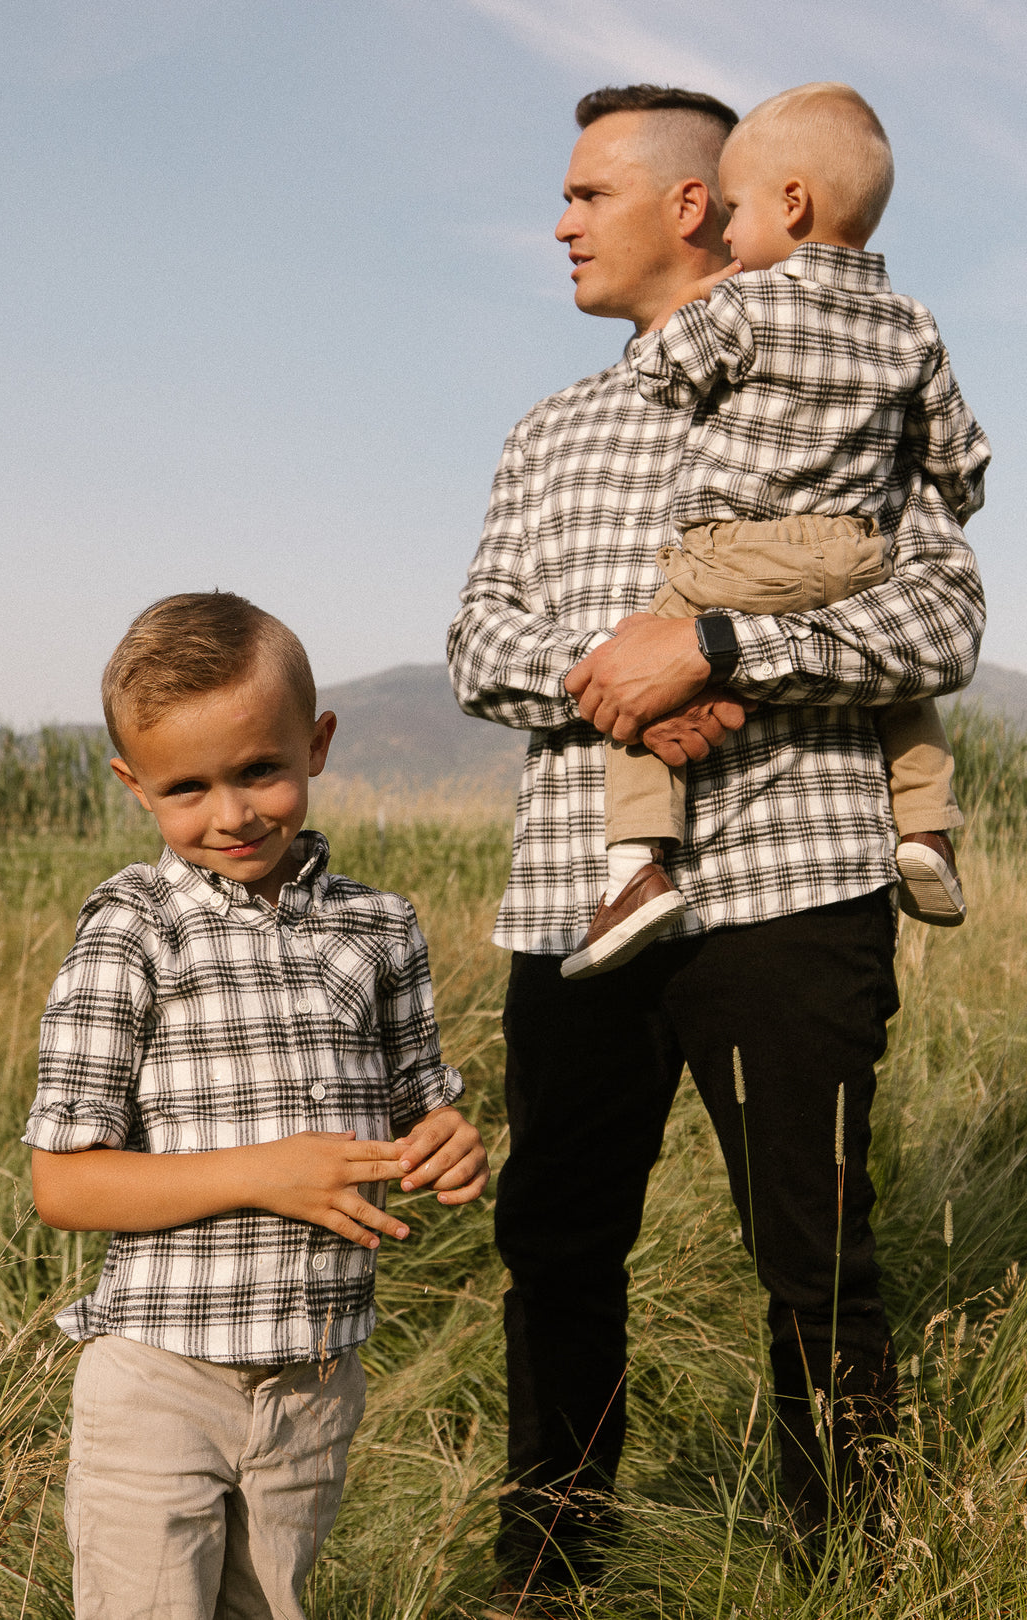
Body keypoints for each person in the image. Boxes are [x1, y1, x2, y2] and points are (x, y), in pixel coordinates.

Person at [447, 83, 984, 1603]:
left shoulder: (859, 392)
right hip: (580, 894)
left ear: (697, 206)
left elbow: (945, 614)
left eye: (584, 195)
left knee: (816, 1259)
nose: (556, 224)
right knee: (556, 1244)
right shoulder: (548, 434)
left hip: (797, 884)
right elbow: (477, 637)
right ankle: (549, 1562)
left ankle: (849, 1569)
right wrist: (611, 678)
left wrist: (725, 650)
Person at [25, 592, 488, 1620]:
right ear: (133, 784)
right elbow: (62, 1182)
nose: (231, 813)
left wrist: (448, 1146)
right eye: (186, 788)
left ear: (315, 745)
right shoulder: (134, 932)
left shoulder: (380, 929)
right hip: (160, 1375)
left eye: (259, 771)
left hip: (315, 1379)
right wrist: (264, 1173)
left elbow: (423, 1109)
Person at [564, 82, 989, 980]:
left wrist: (707, 301)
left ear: (789, 204)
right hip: (854, 545)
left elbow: (665, 376)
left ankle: (636, 865)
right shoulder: (912, 323)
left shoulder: (748, 304)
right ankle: (925, 831)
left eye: (736, 211)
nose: (730, 232)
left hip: (734, 551)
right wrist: (924, 485)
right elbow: (959, 453)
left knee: (642, 641)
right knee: (899, 691)